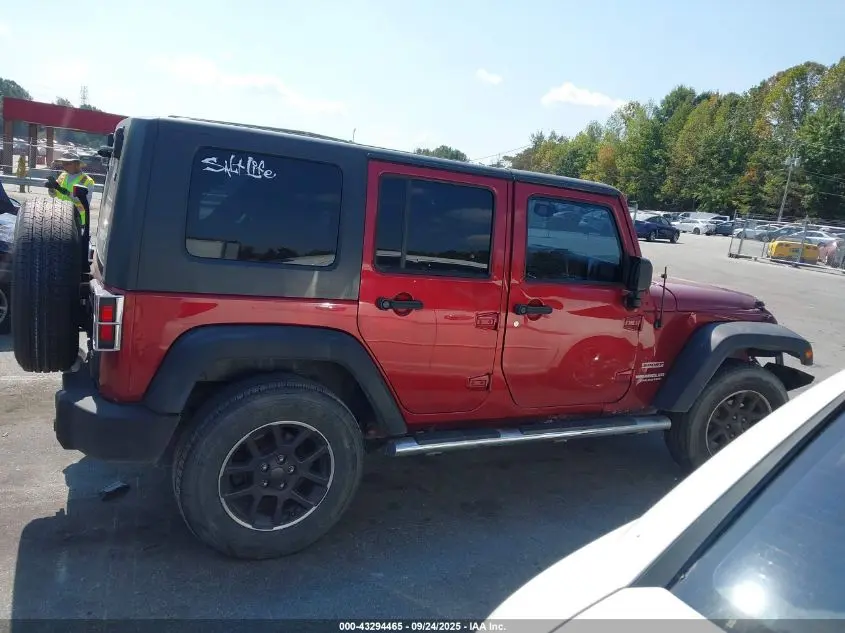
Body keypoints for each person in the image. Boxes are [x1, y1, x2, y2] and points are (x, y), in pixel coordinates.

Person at [48, 151, 96, 231]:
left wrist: (65, 192)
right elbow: (53, 195)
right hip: (59, 216)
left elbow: (86, 202)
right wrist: (51, 189)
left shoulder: (87, 181)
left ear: (76, 164)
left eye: (67, 163)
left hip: (77, 220)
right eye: (63, 163)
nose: (64, 166)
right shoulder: (63, 176)